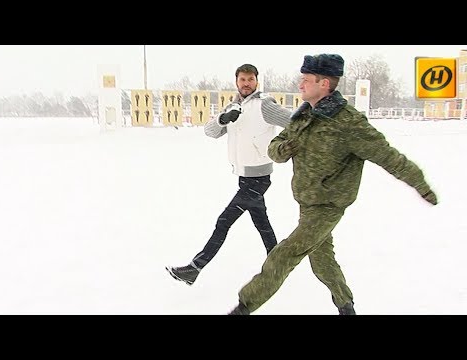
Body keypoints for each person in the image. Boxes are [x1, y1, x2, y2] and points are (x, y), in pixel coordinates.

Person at [227, 54, 439, 315]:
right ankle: (345, 306)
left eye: (306, 80)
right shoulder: (303, 116)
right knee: (322, 261)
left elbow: (389, 156)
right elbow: (274, 149)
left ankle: (244, 307)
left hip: (328, 205)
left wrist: (422, 185)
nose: (300, 85)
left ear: (324, 83)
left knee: (285, 254)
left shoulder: (349, 122)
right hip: (306, 201)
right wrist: (285, 148)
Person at [166, 64, 292, 286]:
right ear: (236, 82)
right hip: (244, 177)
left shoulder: (264, 105)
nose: (246, 83)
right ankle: (278, 264)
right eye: (242, 79)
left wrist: (284, 146)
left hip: (259, 178)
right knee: (263, 224)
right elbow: (210, 132)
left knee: (223, 222)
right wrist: (223, 119)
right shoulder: (233, 106)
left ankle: (194, 268)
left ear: (256, 81)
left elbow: (292, 121)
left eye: (250, 79)